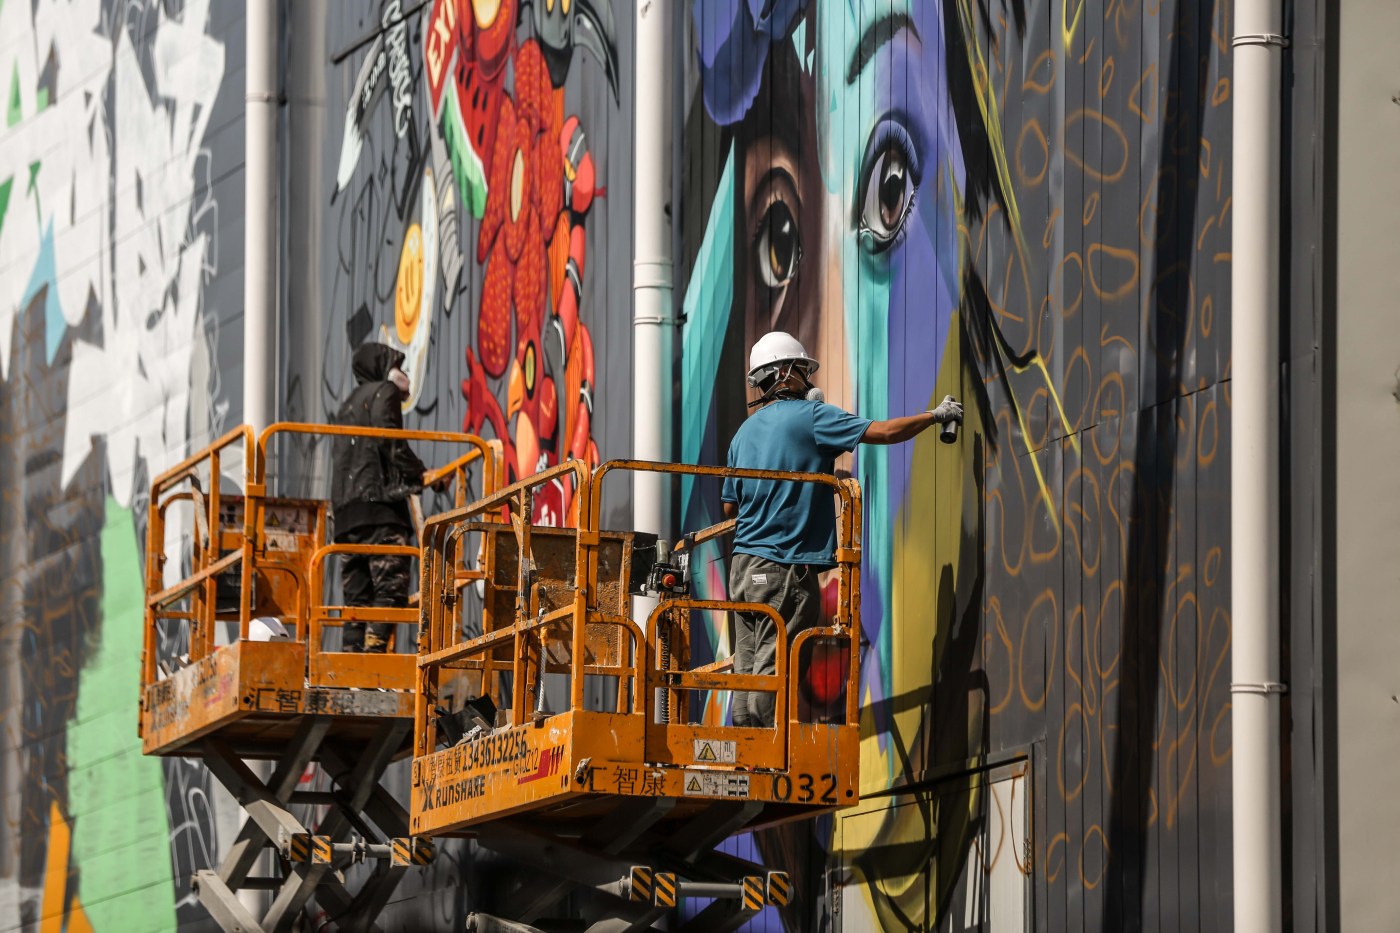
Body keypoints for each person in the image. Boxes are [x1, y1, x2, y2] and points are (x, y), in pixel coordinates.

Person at [721, 332, 962, 726]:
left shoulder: (742, 434)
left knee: (748, 673)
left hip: (743, 570)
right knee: (776, 670)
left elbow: (730, 505)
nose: (808, 379)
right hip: (783, 567)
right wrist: (934, 416)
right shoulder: (812, 416)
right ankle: (764, 753)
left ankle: (744, 748)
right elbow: (885, 432)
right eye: (802, 370)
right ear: (782, 374)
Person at [331, 342, 439, 653]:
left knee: (356, 598)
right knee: (391, 587)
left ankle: (351, 665)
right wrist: (421, 474)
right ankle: (375, 656)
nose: (402, 372)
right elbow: (391, 441)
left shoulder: (347, 405)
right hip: (378, 509)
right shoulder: (384, 392)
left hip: (346, 516)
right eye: (396, 365)